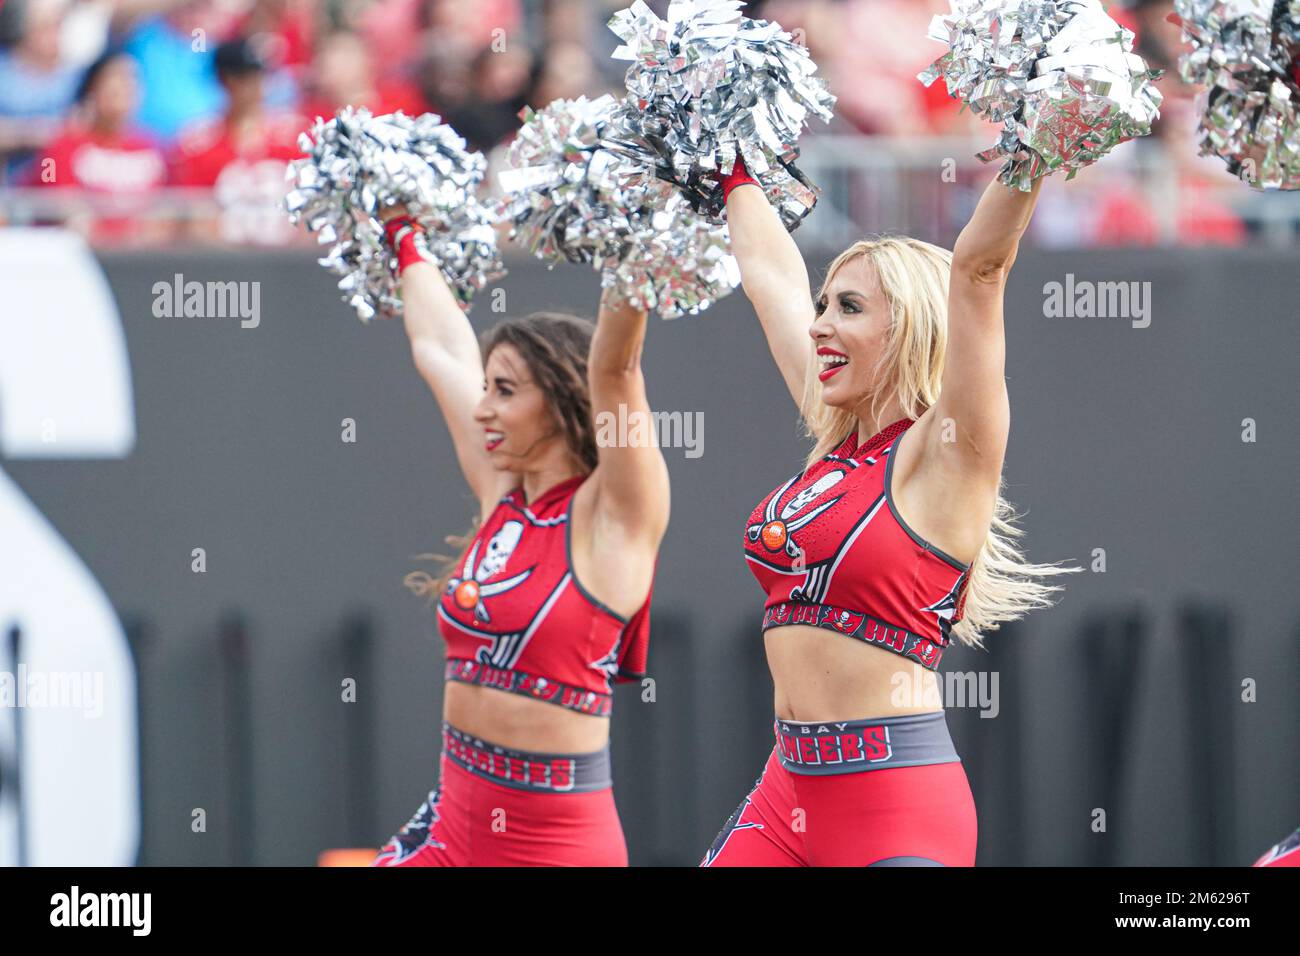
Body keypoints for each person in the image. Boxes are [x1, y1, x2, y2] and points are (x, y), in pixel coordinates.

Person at [701, 158, 1076, 866]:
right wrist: (732, 163)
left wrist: (1032, 140)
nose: (819, 327)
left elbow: (979, 270)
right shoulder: (834, 436)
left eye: (849, 309)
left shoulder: (946, 451)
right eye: (823, 306)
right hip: (787, 793)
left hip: (893, 806)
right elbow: (769, 278)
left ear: (908, 327)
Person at [370, 210, 669, 866]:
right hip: (451, 826)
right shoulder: (504, 493)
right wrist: (402, 234)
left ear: (563, 398)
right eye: (486, 389)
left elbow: (617, 372)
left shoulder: (613, 516)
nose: (483, 409)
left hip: (553, 846)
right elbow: (439, 350)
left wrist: (632, 240)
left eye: (504, 391)